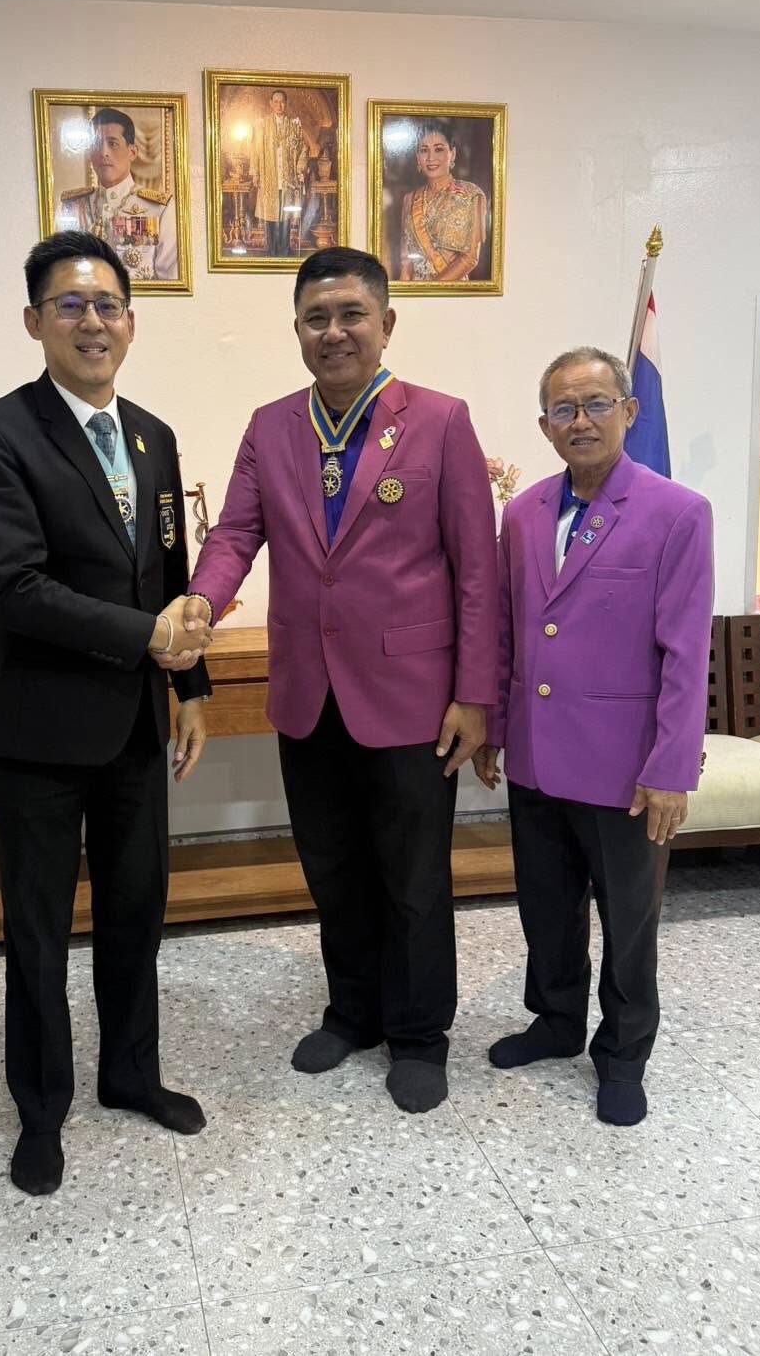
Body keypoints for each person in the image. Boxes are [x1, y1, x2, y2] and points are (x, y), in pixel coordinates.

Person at [184, 247, 498, 1113]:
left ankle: (420, 1032)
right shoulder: (271, 426)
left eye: (351, 313)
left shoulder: (440, 420)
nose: (334, 331)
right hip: (307, 693)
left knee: (413, 876)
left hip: (414, 698)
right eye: (316, 317)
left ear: (386, 323)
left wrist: (477, 696)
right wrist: (202, 601)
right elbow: (234, 535)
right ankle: (353, 1011)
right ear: (297, 331)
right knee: (332, 867)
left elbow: (477, 572)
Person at [0, 230, 211, 1196]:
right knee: (39, 930)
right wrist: (149, 637)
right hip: (43, 735)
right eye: (70, 304)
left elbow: (171, 571)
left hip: (137, 727)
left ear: (130, 323)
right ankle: (40, 1108)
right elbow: (14, 588)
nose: (91, 321)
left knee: (138, 912)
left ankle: (130, 1073)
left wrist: (190, 689)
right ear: (35, 321)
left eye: (107, 305)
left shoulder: (153, 435)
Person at [473, 348, 713, 1127]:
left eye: (597, 403)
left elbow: (687, 652)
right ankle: (555, 1021)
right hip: (537, 756)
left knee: (629, 919)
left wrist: (672, 767)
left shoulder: (677, 512)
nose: (581, 420)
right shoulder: (523, 513)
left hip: (626, 768)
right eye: (564, 408)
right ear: (544, 425)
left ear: (629, 411)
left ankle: (623, 1053)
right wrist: (495, 727)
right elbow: (509, 629)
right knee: (546, 906)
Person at [59, 108, 178, 281]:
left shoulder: (159, 208)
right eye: (97, 144)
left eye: (113, 143)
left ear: (132, 152)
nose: (104, 152)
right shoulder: (72, 206)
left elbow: (171, 280)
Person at [399, 119, 487, 283]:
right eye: (424, 150)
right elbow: (406, 262)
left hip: (451, 291)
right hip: (415, 290)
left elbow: (470, 258)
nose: (431, 158)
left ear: (452, 153)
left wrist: (431, 290)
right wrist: (404, 292)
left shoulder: (471, 194)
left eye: (439, 149)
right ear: (418, 157)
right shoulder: (409, 199)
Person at [250, 89, 309, 257]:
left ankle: (284, 251)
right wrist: (255, 173)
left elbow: (303, 149)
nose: (279, 105)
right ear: (271, 104)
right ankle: (271, 251)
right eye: (275, 102)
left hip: (287, 178)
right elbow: (255, 149)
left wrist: (300, 169)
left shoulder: (293, 125)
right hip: (269, 177)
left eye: (282, 101)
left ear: (286, 104)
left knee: (286, 214)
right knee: (269, 214)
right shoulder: (262, 125)